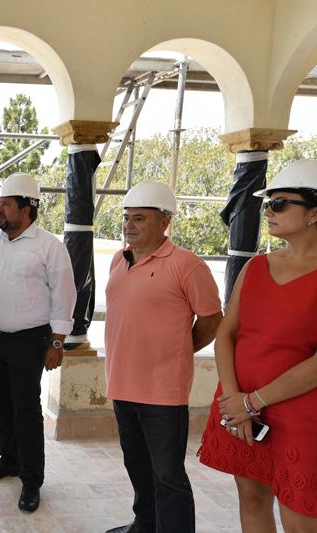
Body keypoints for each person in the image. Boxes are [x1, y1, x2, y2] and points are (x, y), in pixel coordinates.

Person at [199, 160, 317, 532]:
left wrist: (253, 401)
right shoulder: (255, 267)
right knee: (251, 499)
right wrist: (235, 399)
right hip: (240, 407)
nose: (268, 211)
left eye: (280, 204)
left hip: (299, 414)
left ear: (314, 213)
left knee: (300, 517)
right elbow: (226, 334)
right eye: (267, 204)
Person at [104, 181, 222, 533]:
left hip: (162, 391)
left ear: (165, 221)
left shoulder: (187, 264)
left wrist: (180, 350)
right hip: (121, 384)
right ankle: (145, 525)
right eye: (127, 217)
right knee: (136, 464)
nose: (129, 225)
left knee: (168, 476)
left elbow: (212, 320)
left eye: (140, 218)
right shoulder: (118, 260)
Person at [0, 172, 76, 513]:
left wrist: (57, 343)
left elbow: (65, 297)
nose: (0, 209)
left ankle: (31, 480)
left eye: (6, 204)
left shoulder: (49, 247)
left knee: (25, 410)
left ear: (27, 209)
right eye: (0, 203)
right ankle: (8, 459)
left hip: (28, 341)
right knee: (0, 403)